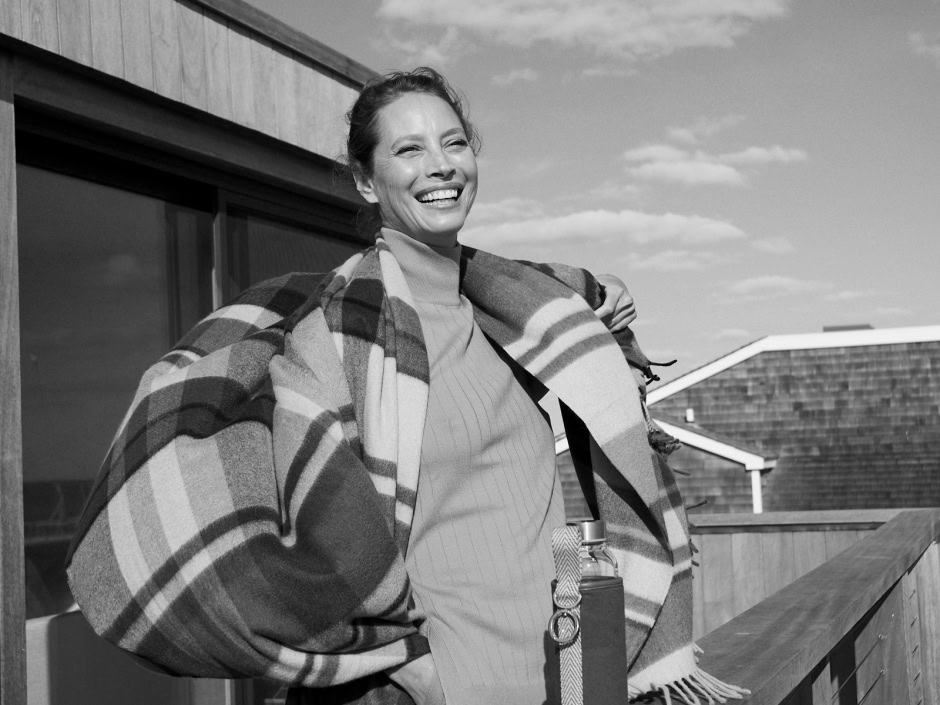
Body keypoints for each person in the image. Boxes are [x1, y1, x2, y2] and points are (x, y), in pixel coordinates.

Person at [67, 68, 746, 705]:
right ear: (366, 181)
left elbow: (566, 317)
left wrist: (592, 295)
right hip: (434, 685)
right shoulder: (340, 337)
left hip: (553, 669)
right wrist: (401, 661)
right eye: (410, 149)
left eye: (454, 143)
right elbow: (304, 525)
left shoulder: (512, 315)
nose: (441, 164)